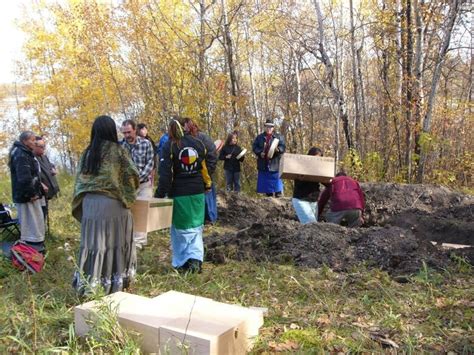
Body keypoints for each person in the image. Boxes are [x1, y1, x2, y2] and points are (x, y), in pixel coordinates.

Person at [72, 115, 139, 295]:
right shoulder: (118, 151)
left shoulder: (87, 153)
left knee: (94, 244)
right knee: (116, 244)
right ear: (112, 131)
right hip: (113, 205)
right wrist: (127, 195)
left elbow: (79, 181)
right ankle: (115, 284)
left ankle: (90, 285)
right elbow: (133, 175)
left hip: (90, 206)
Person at [155, 116, 216, 273]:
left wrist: (159, 194)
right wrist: (207, 185)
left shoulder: (169, 146)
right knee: (196, 228)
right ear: (187, 127)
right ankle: (196, 260)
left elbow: (166, 174)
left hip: (180, 193)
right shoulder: (198, 143)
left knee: (181, 230)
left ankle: (184, 264)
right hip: (197, 193)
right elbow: (204, 169)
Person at [8, 131, 46, 253]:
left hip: (30, 194)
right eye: (32, 139)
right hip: (26, 196)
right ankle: (30, 250)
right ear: (24, 141)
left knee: (35, 221)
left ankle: (36, 248)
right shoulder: (20, 154)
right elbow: (24, 177)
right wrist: (31, 194)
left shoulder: (25, 153)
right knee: (30, 223)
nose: (35, 142)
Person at [120, 119, 154, 249]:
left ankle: (139, 242)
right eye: (124, 133)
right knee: (127, 213)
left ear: (135, 130)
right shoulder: (120, 147)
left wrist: (137, 179)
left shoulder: (146, 144)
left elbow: (150, 163)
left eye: (129, 132)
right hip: (126, 186)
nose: (127, 135)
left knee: (142, 211)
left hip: (143, 184)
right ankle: (127, 240)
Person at [252, 119, 286, 197]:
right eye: (267, 127)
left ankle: (278, 195)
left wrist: (278, 149)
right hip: (264, 163)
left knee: (277, 184)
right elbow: (254, 147)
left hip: (275, 164)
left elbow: (283, 147)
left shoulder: (279, 137)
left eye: (270, 127)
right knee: (267, 186)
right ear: (265, 127)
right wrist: (260, 153)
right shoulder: (260, 137)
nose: (269, 128)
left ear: (273, 128)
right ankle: (269, 198)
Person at [292, 147, 323, 224]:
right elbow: (298, 184)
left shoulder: (319, 169)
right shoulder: (301, 167)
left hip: (314, 202)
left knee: (312, 226)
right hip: (301, 200)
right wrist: (302, 178)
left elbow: (327, 183)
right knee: (311, 224)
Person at [32, 136, 60, 220]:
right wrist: (40, 184)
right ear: (34, 146)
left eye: (44, 146)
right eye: (41, 147)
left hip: (47, 190)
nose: (43, 148)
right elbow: (32, 174)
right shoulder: (31, 158)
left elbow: (50, 165)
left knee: (44, 211)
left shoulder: (44, 156)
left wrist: (53, 168)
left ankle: (43, 231)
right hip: (38, 191)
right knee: (39, 213)